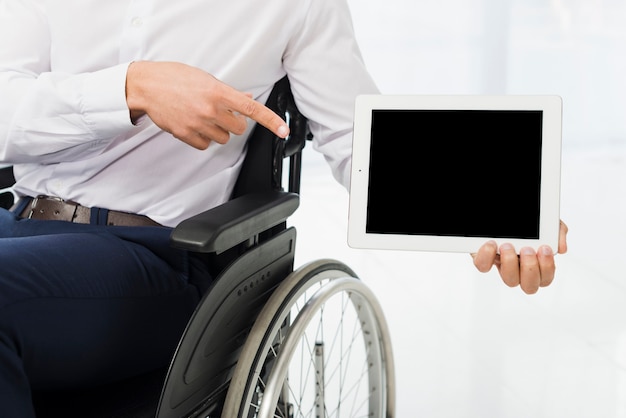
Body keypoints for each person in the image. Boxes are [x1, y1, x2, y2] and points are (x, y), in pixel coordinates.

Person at [0, 0, 568, 416]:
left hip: (153, 256)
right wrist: (132, 87)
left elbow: (356, 142)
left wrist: (497, 215)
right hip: (18, 222)